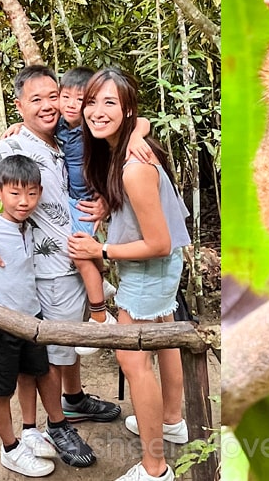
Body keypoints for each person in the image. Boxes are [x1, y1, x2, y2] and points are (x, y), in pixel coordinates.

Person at [0, 65, 117, 469]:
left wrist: (101, 203)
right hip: (47, 270)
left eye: (53, 96)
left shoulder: (63, 138)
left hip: (72, 257)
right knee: (51, 352)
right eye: (36, 99)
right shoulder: (14, 146)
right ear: (20, 105)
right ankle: (55, 424)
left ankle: (73, 402)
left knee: (60, 347)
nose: (47, 106)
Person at [68, 68, 192, 481]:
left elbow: (155, 242)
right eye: (92, 102)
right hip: (162, 266)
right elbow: (142, 124)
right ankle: (171, 420)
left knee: (133, 361)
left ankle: (155, 468)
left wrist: (99, 248)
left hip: (149, 268)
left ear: (126, 109)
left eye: (109, 103)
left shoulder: (134, 166)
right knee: (167, 337)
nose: (97, 111)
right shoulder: (127, 147)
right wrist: (109, 204)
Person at [56, 67, 153, 356]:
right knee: (80, 252)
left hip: (88, 202)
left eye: (80, 99)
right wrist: (17, 128)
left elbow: (141, 119)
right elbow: (35, 122)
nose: (72, 105)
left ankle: (99, 315)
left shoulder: (94, 128)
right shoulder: (60, 124)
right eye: (66, 98)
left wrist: (137, 137)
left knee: (80, 252)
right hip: (74, 202)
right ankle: (103, 287)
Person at [0, 154, 60, 477]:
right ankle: (9, 448)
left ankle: (29, 430)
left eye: (32, 193)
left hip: (30, 320)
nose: (24, 201)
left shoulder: (31, 229)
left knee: (31, 375)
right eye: (15, 193)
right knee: (1, 390)